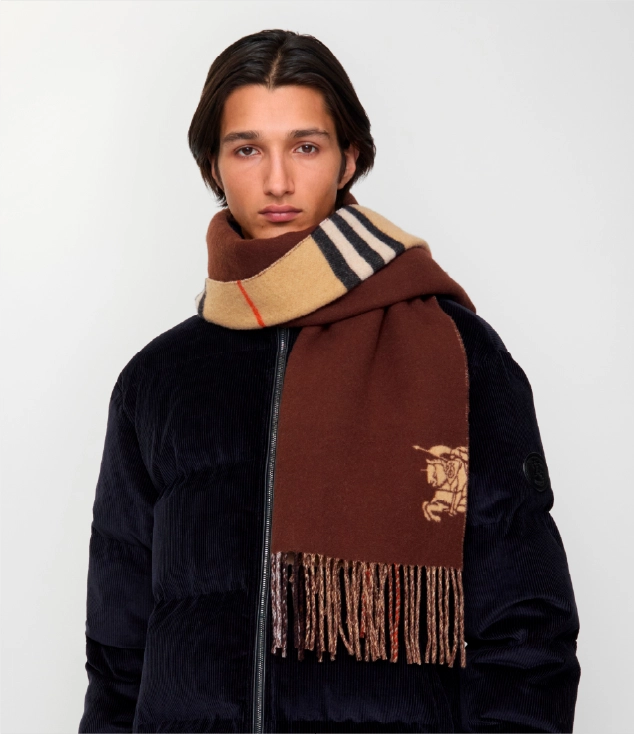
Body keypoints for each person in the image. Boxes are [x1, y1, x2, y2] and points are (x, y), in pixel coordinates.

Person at [78, 29, 581, 734]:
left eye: (306, 147)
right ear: (213, 165)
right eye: (247, 149)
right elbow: (118, 653)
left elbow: (528, 632)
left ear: (350, 159)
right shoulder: (158, 380)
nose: (277, 181)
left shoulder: (458, 355)